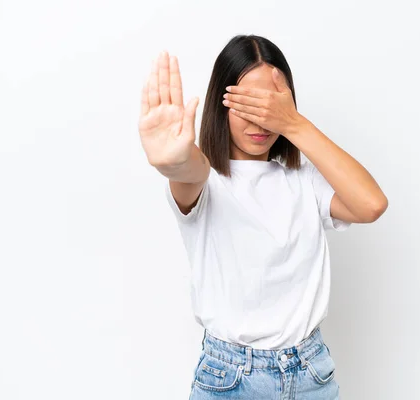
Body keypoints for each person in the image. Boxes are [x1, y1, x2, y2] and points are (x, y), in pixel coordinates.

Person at [138, 34, 388, 399]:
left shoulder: (306, 182)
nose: (262, 117)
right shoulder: (207, 182)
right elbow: (188, 171)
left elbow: (371, 204)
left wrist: (295, 124)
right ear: (221, 104)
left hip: (310, 375)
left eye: (272, 104)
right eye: (247, 103)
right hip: (232, 379)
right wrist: (173, 159)